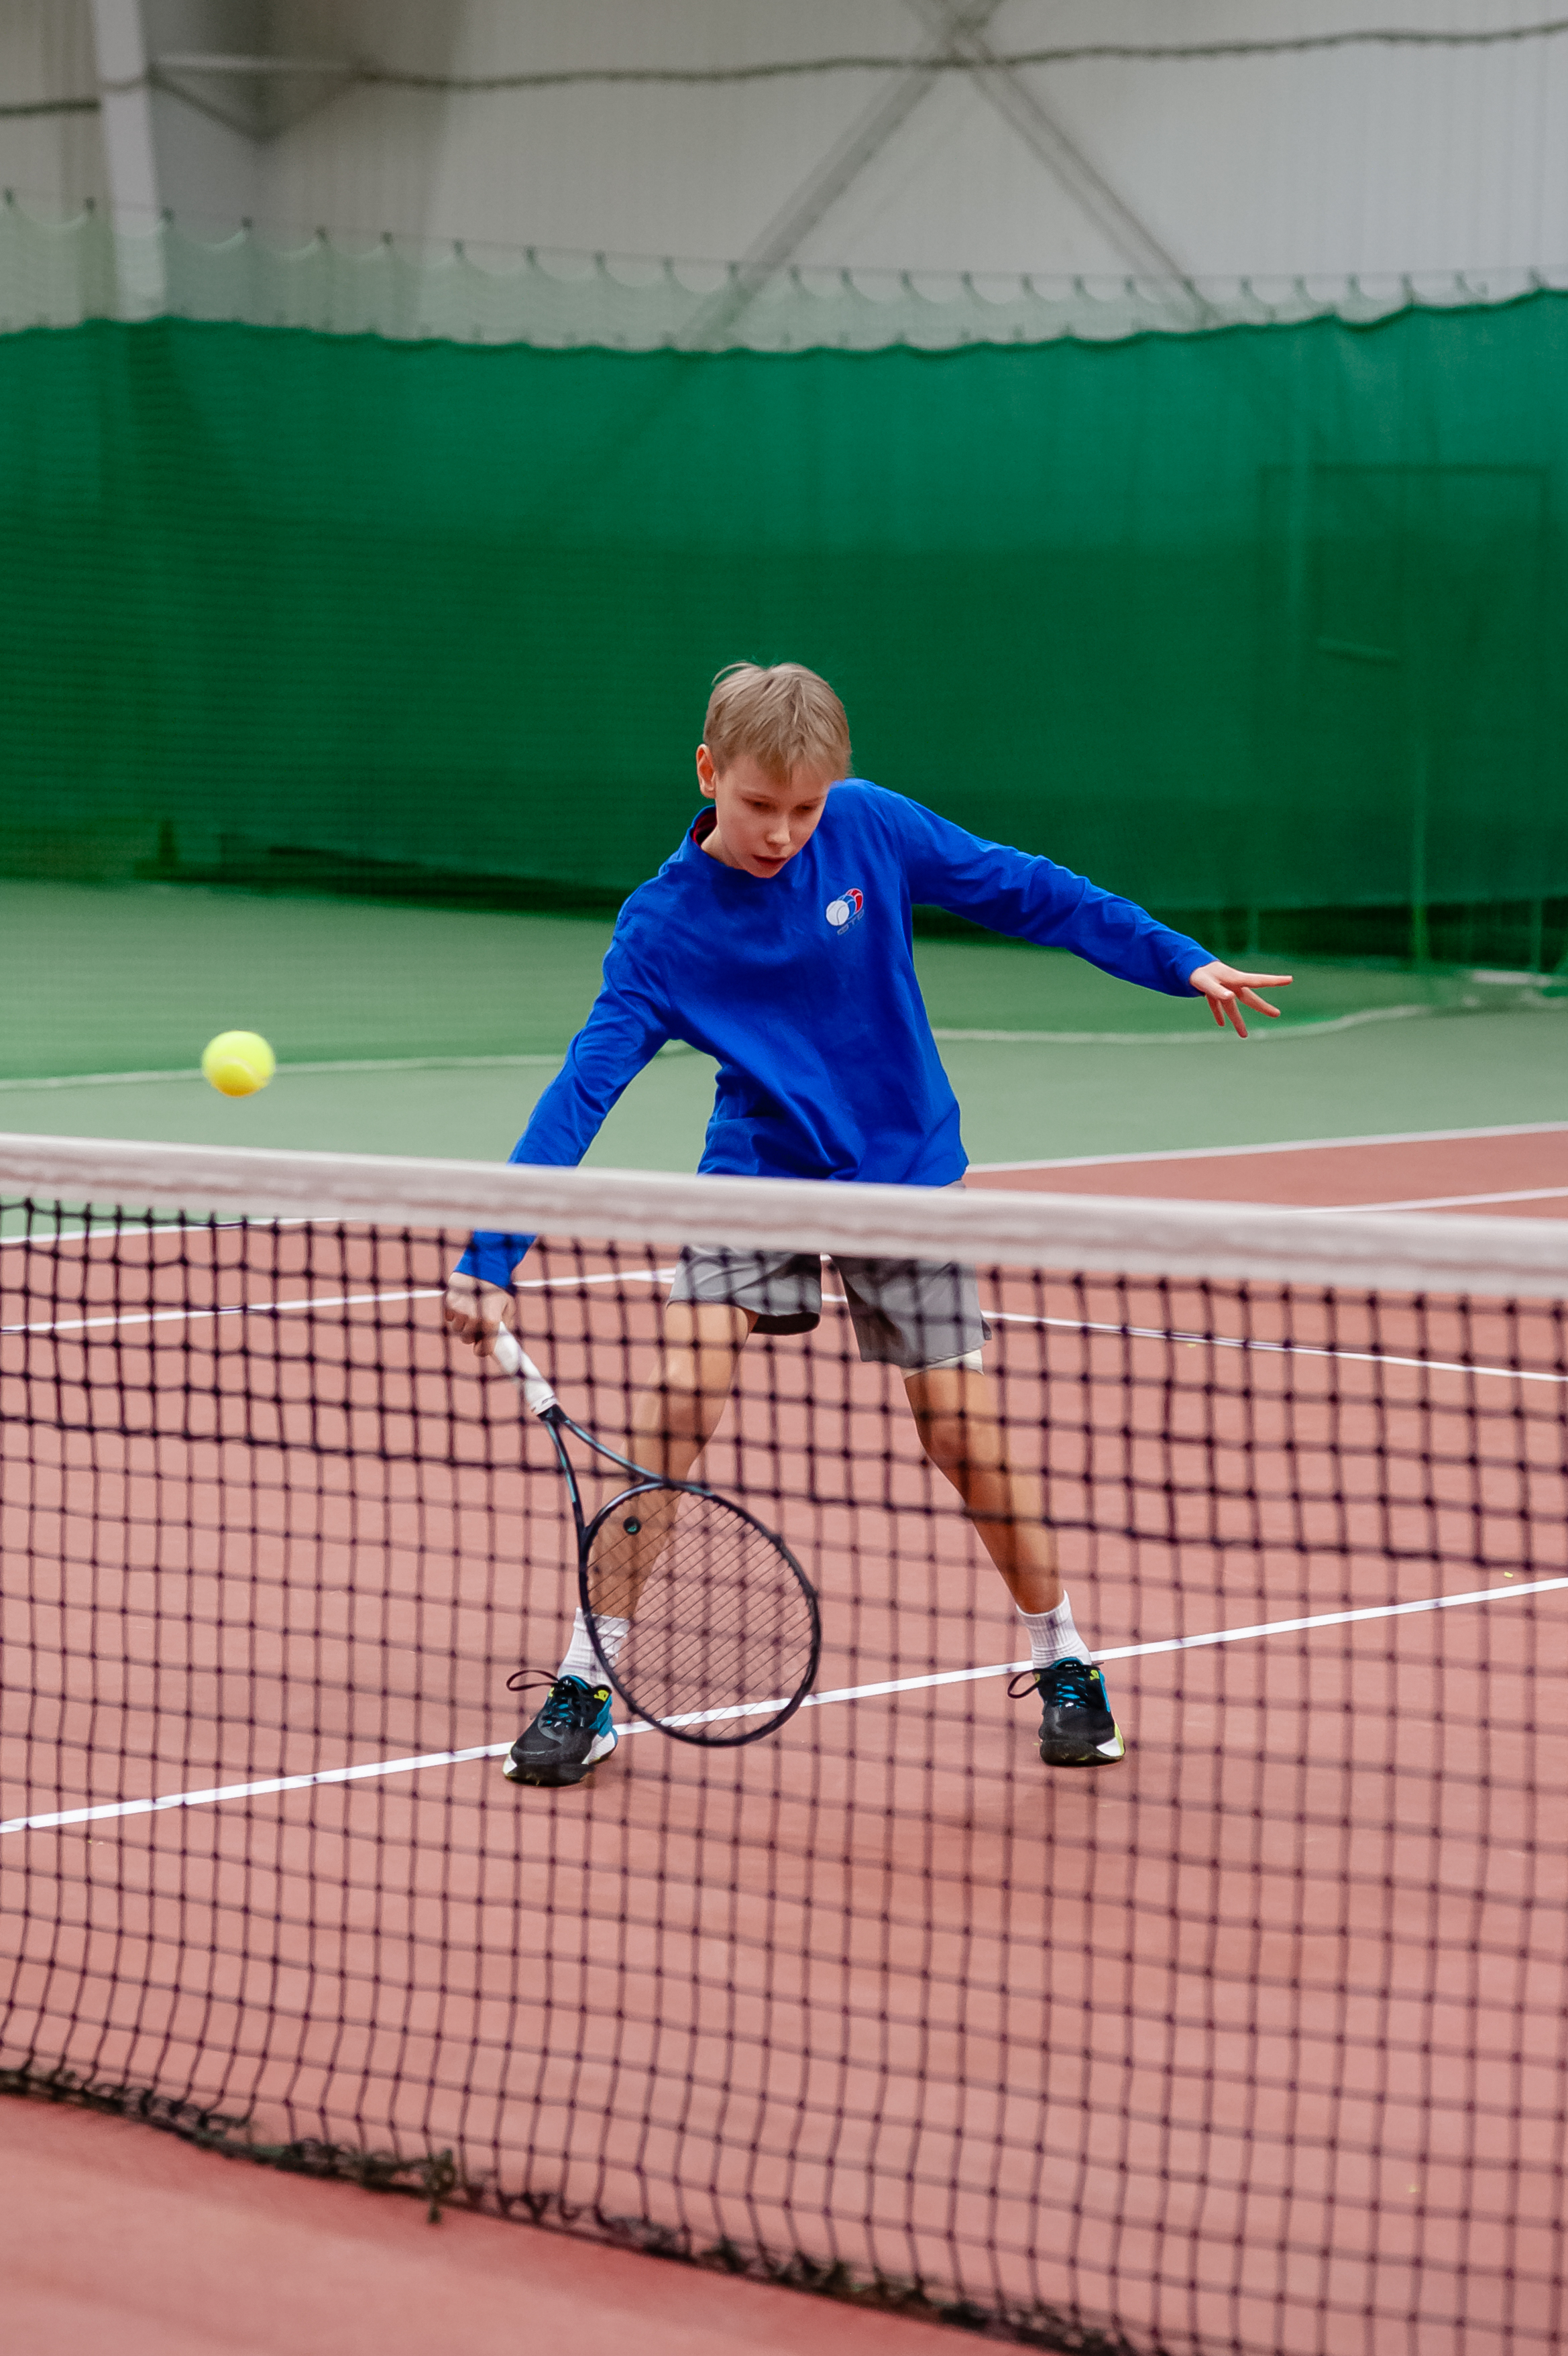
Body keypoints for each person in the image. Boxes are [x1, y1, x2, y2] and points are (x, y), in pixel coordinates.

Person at [445, 663, 1290, 1788]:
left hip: (900, 1168)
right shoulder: (662, 930)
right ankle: (588, 1679)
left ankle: (1065, 1658)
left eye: (804, 808)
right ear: (707, 773)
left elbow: (1025, 888)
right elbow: (579, 1096)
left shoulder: (871, 826)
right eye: (759, 805)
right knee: (678, 1397)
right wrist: (489, 1255)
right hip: (759, 1171)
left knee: (959, 1430)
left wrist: (1174, 957)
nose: (782, 833)